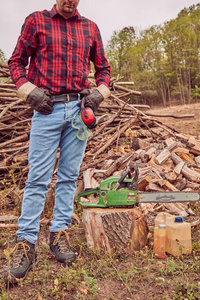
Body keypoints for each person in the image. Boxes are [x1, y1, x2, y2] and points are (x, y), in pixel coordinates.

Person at [4, 0, 110, 285]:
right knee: (37, 179)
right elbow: (16, 61)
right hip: (46, 109)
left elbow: (104, 69)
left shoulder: (90, 28)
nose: (69, 0)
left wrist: (99, 93)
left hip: (78, 110)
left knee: (68, 177)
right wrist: (29, 91)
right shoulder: (36, 20)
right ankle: (26, 243)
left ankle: (59, 234)